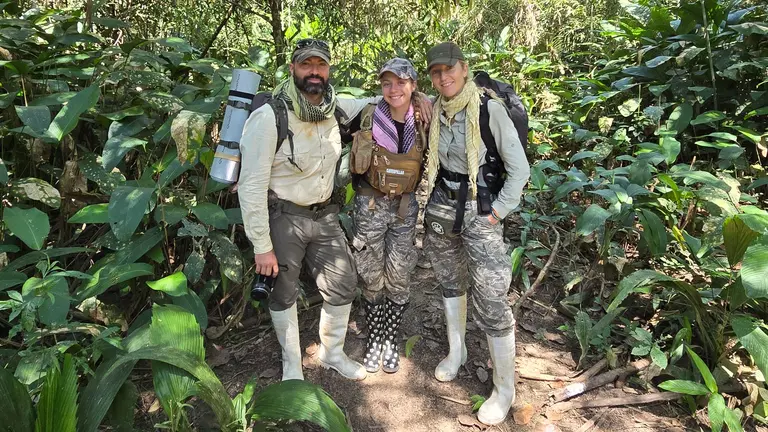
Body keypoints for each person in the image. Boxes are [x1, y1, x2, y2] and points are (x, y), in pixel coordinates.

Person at [423, 42, 531, 425]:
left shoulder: (489, 110)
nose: (443, 77)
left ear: (464, 68)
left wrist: (498, 212)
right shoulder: (435, 109)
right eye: (435, 72)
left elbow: (520, 170)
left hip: (479, 210)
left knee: (491, 296)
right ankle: (458, 352)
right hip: (441, 205)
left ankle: (504, 389)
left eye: (449, 69)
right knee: (451, 282)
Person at [349, 58, 426, 374]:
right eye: (386, 83)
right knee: (370, 274)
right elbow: (326, 112)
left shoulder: (423, 118)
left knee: (398, 275)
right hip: (370, 206)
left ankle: (390, 338)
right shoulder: (367, 114)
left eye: (401, 82)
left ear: (413, 85)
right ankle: (374, 338)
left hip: (404, 210)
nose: (393, 89)